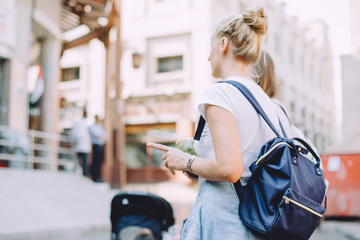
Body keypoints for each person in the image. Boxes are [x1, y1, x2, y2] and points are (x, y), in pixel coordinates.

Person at [147, 7, 276, 239]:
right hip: (257, 226)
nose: (208, 56)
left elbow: (230, 168)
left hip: (224, 226)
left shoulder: (221, 94)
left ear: (223, 44)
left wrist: (186, 161)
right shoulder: (266, 103)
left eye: (210, 45)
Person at [70, 110, 92, 176]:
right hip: (81, 146)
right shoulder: (80, 123)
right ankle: (82, 174)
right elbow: (79, 134)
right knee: (81, 161)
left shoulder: (84, 122)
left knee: (82, 161)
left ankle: (82, 173)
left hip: (82, 146)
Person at [89, 115, 107, 182]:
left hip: (100, 145)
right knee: (95, 161)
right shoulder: (92, 127)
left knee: (99, 161)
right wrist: (101, 136)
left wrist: (101, 136)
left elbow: (105, 135)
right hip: (96, 145)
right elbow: (97, 135)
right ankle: (94, 177)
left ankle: (98, 177)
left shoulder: (100, 127)